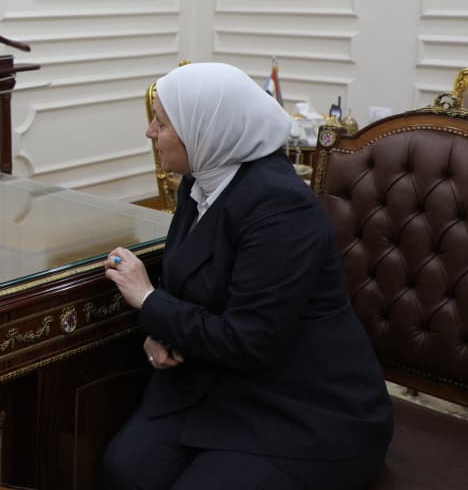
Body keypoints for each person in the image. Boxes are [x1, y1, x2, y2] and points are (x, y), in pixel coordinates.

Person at [102, 62, 392, 490]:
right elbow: (190, 282)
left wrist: (148, 301)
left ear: (205, 130)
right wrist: (160, 332)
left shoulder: (281, 208)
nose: (150, 132)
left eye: (161, 122)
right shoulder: (202, 179)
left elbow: (247, 341)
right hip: (218, 381)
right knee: (125, 468)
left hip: (303, 406)